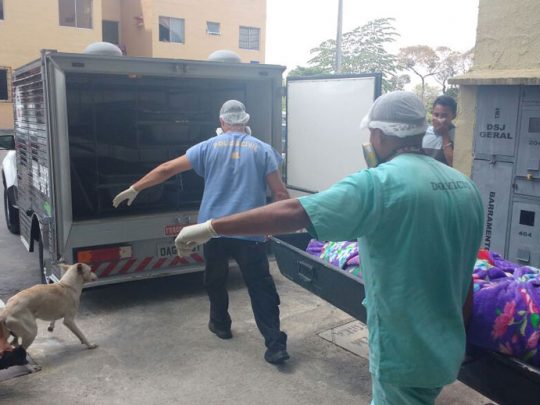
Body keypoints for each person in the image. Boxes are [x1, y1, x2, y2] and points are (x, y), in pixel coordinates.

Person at [173, 91, 484, 405]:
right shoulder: (465, 187)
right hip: (447, 348)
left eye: (371, 134)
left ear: (378, 135)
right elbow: (465, 273)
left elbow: (295, 212)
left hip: (404, 353)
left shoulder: (379, 184)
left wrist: (211, 227)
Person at [112, 100, 291, 364]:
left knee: (215, 280)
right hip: (250, 231)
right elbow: (280, 193)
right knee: (260, 287)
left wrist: (135, 188)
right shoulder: (263, 150)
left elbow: (166, 169)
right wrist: (271, 226)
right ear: (246, 121)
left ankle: (220, 324)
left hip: (212, 230)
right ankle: (275, 345)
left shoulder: (207, 147)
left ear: (222, 121)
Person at [422, 95, 457, 166]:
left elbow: (454, 164)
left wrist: (445, 135)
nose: (439, 119)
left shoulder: (458, 136)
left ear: (453, 116)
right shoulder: (423, 132)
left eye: (444, 116)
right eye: (436, 115)